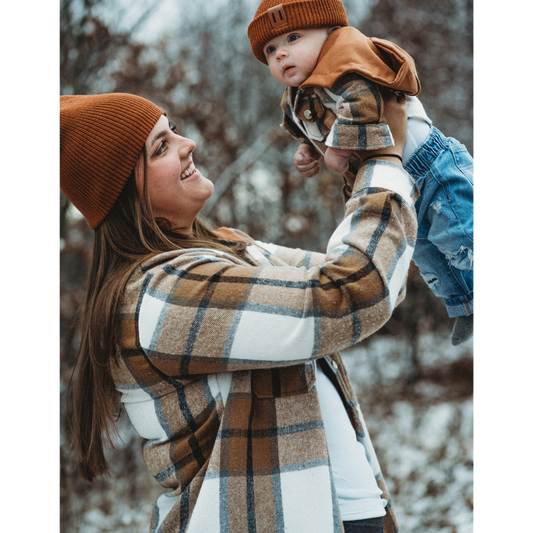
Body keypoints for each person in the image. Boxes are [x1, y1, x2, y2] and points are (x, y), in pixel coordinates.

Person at [58, 91, 415, 533]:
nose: (188, 143)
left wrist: (355, 158)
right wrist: (384, 161)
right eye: (162, 147)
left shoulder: (231, 248)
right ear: (124, 192)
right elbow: (355, 291)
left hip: (347, 514)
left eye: (173, 131)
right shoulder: (161, 294)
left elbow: (377, 279)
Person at [247, 0, 476, 345]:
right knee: (428, 251)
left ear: (330, 32)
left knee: (461, 235)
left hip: (432, 165)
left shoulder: (349, 62)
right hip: (400, 183)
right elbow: (303, 129)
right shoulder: (295, 97)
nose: (280, 54)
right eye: (270, 49)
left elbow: (364, 102)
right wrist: (307, 151)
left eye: (293, 37)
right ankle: (467, 306)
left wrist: (338, 149)